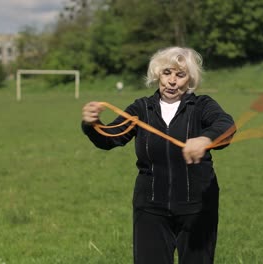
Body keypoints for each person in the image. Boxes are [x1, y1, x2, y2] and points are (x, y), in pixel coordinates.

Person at [81, 46, 235, 264]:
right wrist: (92, 123)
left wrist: (205, 139)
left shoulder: (202, 106)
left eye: (180, 75)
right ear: (157, 74)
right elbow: (109, 138)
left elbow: (226, 125)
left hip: (198, 208)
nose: (172, 81)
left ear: (189, 79)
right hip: (150, 209)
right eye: (167, 73)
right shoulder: (141, 109)